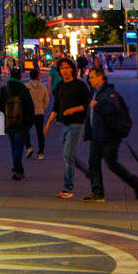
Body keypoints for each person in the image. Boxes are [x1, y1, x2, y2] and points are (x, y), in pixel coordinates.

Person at [82, 66, 138, 203]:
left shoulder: (109, 93)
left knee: (111, 163)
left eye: (91, 77)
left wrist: (97, 106)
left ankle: (135, 182)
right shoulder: (95, 92)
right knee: (93, 163)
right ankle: (97, 192)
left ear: (100, 77)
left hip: (108, 136)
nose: (89, 80)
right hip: (96, 135)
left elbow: (113, 109)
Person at [44, 56, 90, 198]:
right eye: (62, 68)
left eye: (67, 68)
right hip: (63, 124)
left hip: (76, 124)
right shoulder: (60, 86)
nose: (64, 71)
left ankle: (67, 188)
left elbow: (87, 104)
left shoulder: (80, 85)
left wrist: (73, 109)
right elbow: (56, 106)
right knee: (69, 155)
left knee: (67, 155)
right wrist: (48, 123)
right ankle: (90, 173)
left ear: (72, 69)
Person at [0, 69, 35, 181]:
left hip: (9, 123)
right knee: (19, 147)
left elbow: (0, 108)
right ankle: (17, 170)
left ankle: (18, 169)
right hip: (22, 123)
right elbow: (30, 108)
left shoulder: (4, 90)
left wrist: (2, 123)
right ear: (20, 77)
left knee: (14, 146)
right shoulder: (24, 90)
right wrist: (30, 123)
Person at [26, 68, 49, 159]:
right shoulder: (42, 86)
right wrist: (42, 108)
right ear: (37, 76)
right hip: (40, 112)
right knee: (40, 133)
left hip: (29, 112)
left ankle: (29, 147)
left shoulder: (27, 87)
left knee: (26, 130)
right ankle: (41, 152)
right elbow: (46, 100)